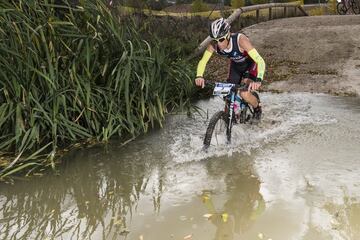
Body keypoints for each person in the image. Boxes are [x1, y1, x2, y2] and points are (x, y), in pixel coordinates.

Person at [195, 18, 265, 120]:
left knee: (244, 93)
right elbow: (203, 61)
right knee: (227, 93)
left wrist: (258, 80)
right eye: (215, 40)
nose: (218, 43)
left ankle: (257, 107)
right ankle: (228, 120)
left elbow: (260, 61)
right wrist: (199, 76)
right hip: (236, 66)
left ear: (228, 35)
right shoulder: (214, 45)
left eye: (221, 39)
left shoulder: (240, 40)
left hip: (250, 65)